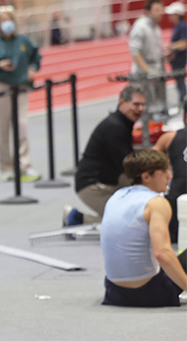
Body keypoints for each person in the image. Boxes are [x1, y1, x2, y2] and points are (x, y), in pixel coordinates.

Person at [100, 149, 187, 307]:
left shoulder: (116, 197)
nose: (170, 176)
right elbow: (162, 254)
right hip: (149, 293)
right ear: (147, 176)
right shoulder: (156, 202)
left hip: (114, 292)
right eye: (164, 172)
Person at [0, 6, 42, 182]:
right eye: (3, 20)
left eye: (9, 20)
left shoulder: (22, 40)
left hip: (20, 86)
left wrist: (33, 69)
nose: (7, 24)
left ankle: (25, 165)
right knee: (2, 128)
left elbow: (36, 55)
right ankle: (6, 167)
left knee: (22, 126)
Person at [67, 85, 146, 225]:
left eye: (142, 105)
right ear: (122, 102)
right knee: (127, 219)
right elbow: (127, 167)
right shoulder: (115, 127)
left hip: (102, 181)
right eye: (136, 104)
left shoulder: (121, 123)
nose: (140, 109)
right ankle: (76, 219)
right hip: (92, 186)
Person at [153, 100, 187, 244]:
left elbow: (146, 162)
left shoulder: (169, 137)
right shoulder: (169, 138)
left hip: (176, 200)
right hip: (176, 201)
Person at [129, 0, 166, 118]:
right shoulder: (140, 27)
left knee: (158, 104)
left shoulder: (156, 27)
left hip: (157, 69)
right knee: (146, 105)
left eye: (161, 9)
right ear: (148, 11)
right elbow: (135, 51)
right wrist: (147, 71)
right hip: (144, 73)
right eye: (157, 10)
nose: (160, 12)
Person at [164, 2, 187, 103]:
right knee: (179, 83)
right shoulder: (177, 26)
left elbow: (183, 43)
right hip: (176, 59)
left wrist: (170, 46)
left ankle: (183, 103)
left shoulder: (182, 27)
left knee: (180, 83)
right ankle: (182, 102)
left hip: (179, 60)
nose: (169, 16)